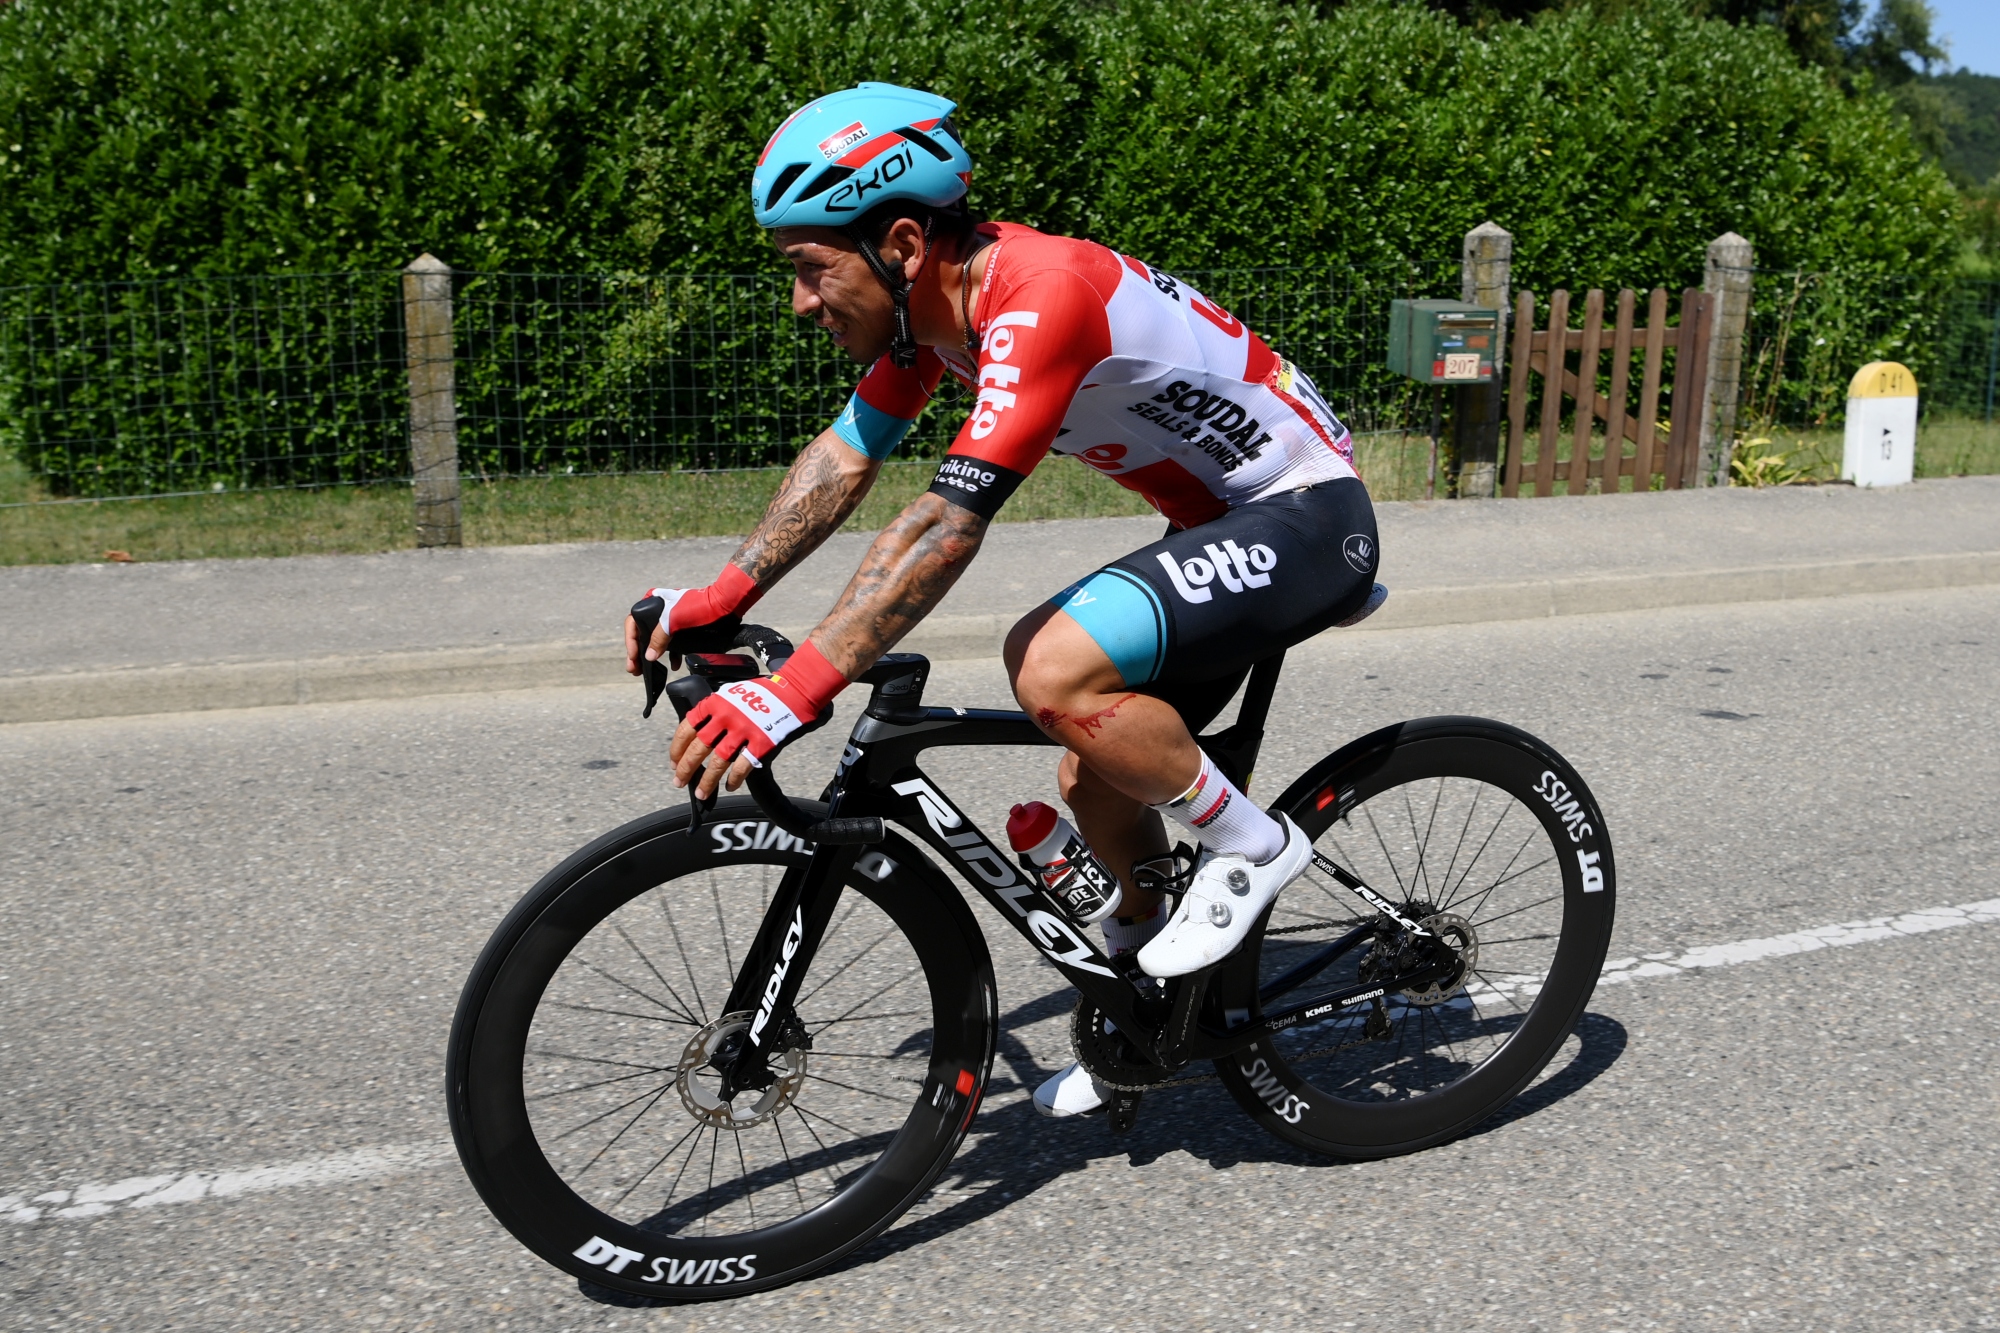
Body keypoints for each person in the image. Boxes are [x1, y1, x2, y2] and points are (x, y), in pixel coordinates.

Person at [625, 82, 1381, 1120]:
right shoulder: (928, 317)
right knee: (1095, 772)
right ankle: (1148, 1005)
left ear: (897, 244)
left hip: (1303, 517)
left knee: (1049, 662)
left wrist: (794, 688)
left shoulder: (1041, 293)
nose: (799, 300)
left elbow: (944, 522)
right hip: (1216, 528)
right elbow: (846, 461)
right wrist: (714, 597)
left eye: (810, 270)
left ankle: (1252, 846)